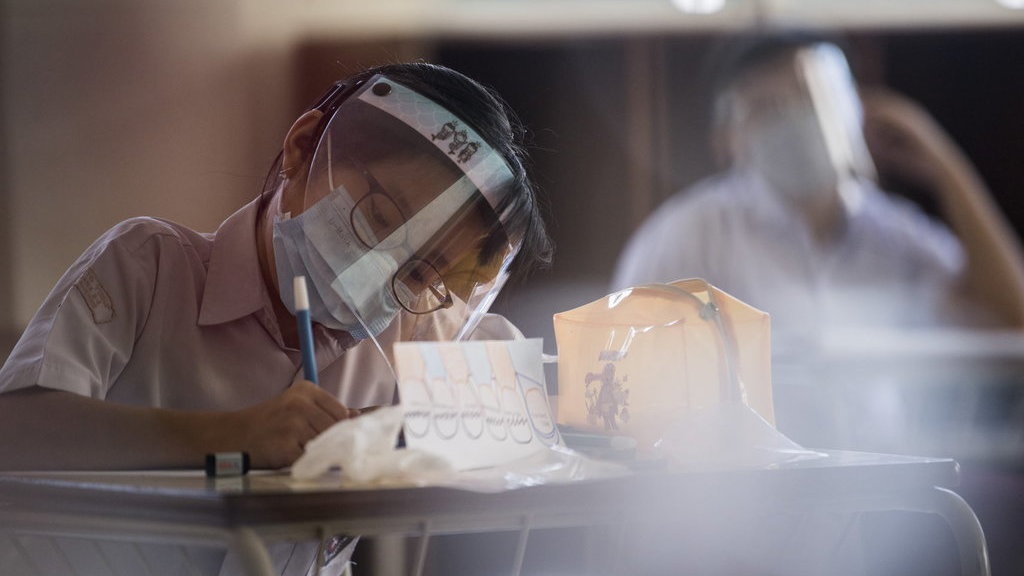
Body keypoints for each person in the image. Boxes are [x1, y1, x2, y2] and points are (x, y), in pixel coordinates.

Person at [0, 61, 550, 574]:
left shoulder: (412, 328)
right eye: (380, 217)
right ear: (303, 147)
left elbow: (524, 420)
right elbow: (16, 433)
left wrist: (394, 437)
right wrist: (233, 436)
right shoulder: (150, 267)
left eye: (420, 271)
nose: (384, 275)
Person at [612, 32, 1024, 358]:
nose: (792, 118)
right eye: (766, 106)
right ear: (725, 138)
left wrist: (945, 164)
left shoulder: (897, 235)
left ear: (854, 111)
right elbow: (618, 360)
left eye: (811, 98)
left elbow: (1013, 319)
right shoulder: (688, 234)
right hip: (744, 467)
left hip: (891, 464)